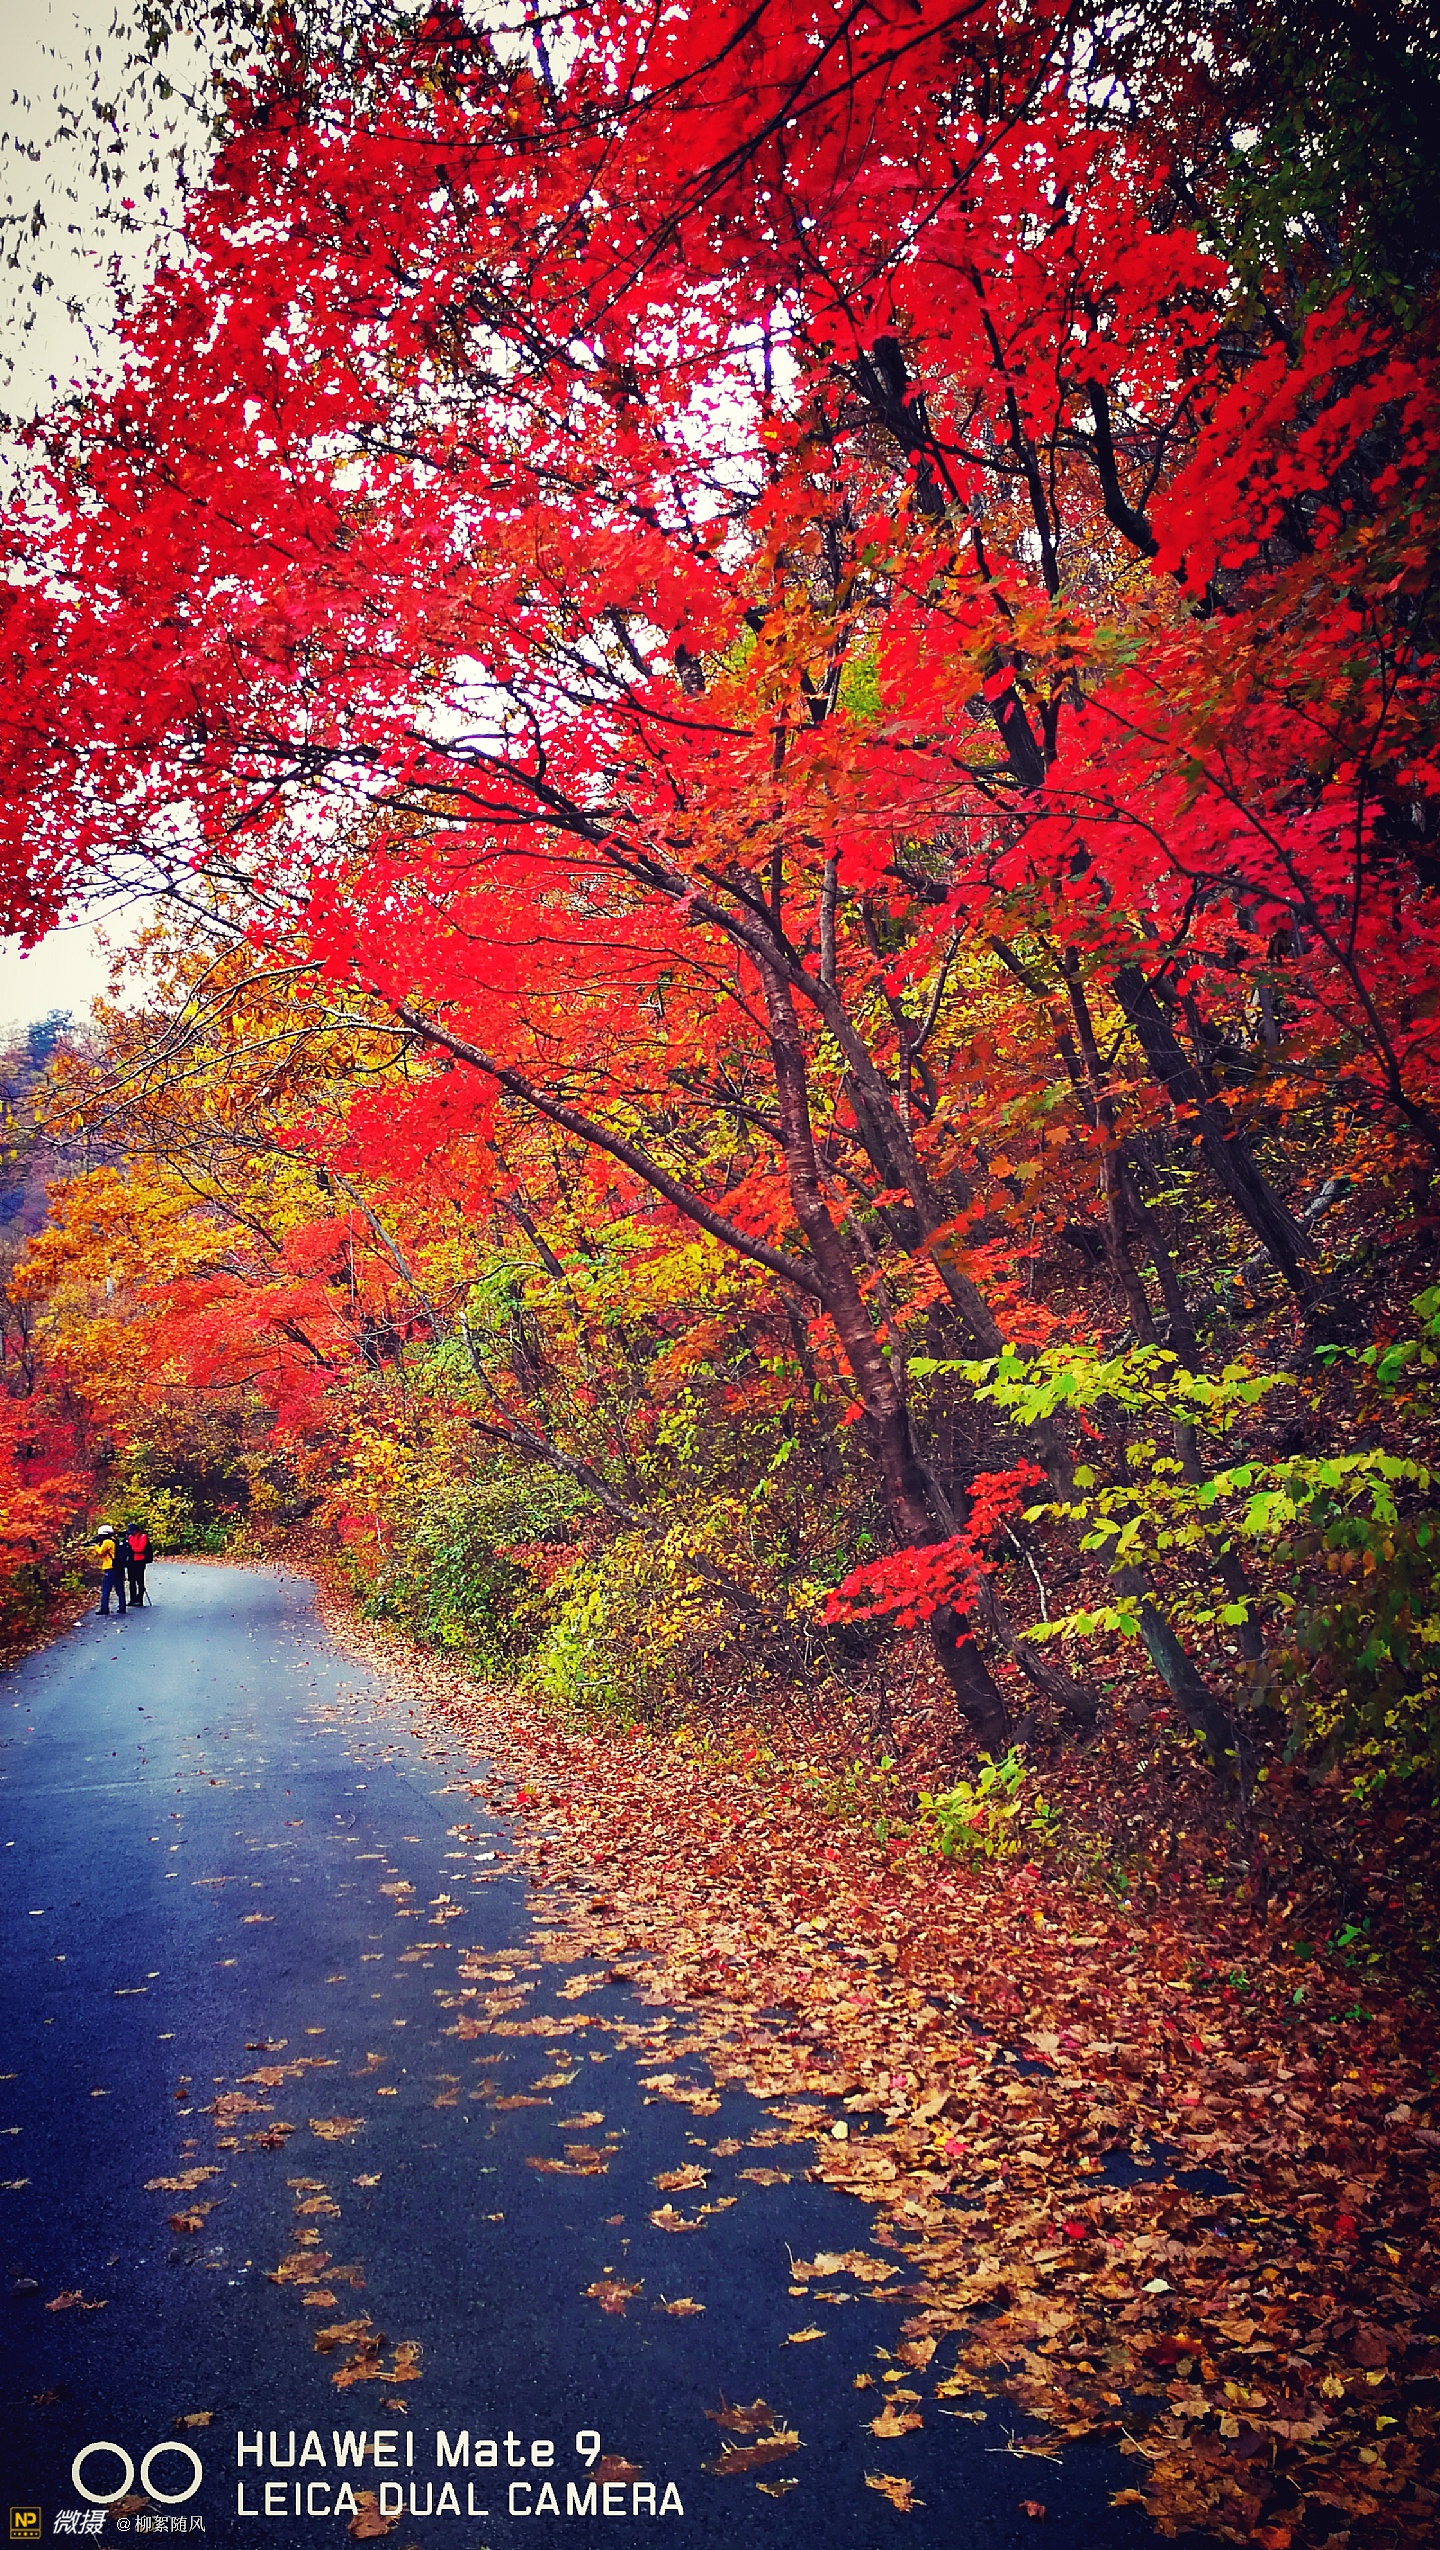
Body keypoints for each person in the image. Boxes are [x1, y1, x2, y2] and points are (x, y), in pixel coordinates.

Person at [94, 1521, 126, 1617]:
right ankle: (122, 1607)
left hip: (110, 1567)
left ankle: (104, 1609)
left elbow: (101, 1552)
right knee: (119, 1589)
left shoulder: (107, 1542)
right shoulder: (114, 1541)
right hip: (118, 1567)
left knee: (106, 1589)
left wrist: (95, 1546)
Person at [124, 1519, 151, 1608]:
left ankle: (139, 1600)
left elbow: (140, 1549)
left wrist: (131, 1547)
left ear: (136, 1530)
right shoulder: (130, 1537)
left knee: (140, 1581)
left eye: (132, 1531)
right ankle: (133, 1599)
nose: (131, 1533)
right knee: (131, 1581)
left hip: (140, 1561)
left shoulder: (143, 1537)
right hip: (131, 1561)